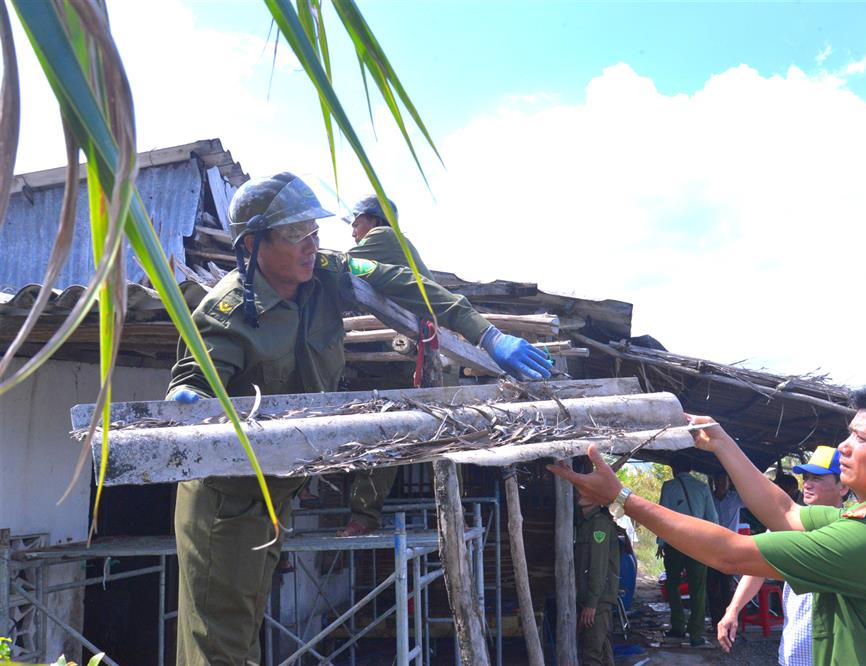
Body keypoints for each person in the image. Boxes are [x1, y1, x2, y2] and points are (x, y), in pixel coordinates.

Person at [166, 172, 551, 664]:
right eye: (295, 234)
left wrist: (487, 334)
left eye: (314, 230)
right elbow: (191, 386)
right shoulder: (226, 313)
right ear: (252, 243)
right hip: (226, 501)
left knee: (245, 631)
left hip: (275, 497)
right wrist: (188, 399)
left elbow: (408, 285)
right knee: (219, 646)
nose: (312, 244)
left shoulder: (326, 274)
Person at [548, 380, 866, 665]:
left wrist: (621, 497)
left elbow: (730, 554)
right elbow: (784, 511)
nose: (844, 446)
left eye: (861, 438)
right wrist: (722, 442)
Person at [338, 194, 436, 536]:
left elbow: (338, 267)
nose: (353, 231)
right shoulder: (397, 248)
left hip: (406, 358)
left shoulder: (384, 237)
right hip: (413, 356)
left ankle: (363, 516)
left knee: (383, 432)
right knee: (418, 434)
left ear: (374, 220)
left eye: (356, 222)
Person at [717, 445, 849, 664]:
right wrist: (733, 609)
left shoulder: (853, 530)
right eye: (806, 478)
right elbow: (757, 568)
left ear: (843, 486)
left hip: (837, 651)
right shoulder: (784, 525)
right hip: (795, 647)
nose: (807, 484)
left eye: (817, 478)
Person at [655, 457, 717, 647]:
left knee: (672, 585)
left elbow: (662, 517)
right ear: (690, 469)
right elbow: (712, 518)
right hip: (698, 543)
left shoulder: (668, 487)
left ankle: (678, 626)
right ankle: (696, 635)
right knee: (698, 589)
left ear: (674, 469)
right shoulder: (702, 487)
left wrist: (661, 542)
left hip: (674, 543)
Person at [575, 492, 621, 665]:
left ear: (597, 498)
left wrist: (592, 603)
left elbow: (598, 565)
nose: (580, 493)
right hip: (593, 599)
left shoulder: (599, 524)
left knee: (592, 654)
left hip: (598, 600)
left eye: (586, 491)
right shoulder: (585, 523)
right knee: (603, 649)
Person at [706, 472, 743, 630]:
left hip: (730, 547)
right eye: (718, 480)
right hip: (712, 546)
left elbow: (753, 496)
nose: (721, 484)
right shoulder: (709, 497)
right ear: (714, 482)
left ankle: (728, 622)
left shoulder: (736, 498)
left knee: (727, 586)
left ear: (729, 483)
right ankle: (716, 622)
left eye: (724, 481)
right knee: (712, 586)